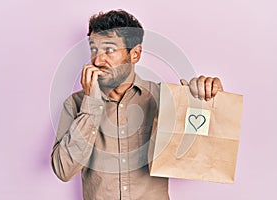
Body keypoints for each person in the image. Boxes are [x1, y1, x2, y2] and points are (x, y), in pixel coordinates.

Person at [51, 9, 223, 200]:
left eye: (109, 50)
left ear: (135, 54)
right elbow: (62, 169)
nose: (98, 60)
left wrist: (208, 98)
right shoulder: (75, 104)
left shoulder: (165, 98)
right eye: (94, 49)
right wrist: (91, 105)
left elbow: (201, 153)